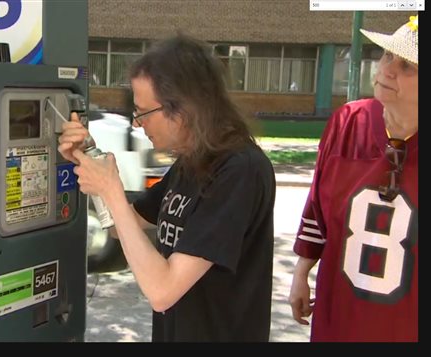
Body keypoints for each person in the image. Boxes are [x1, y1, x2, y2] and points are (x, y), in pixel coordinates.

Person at [59, 34, 276, 342]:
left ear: (184, 109)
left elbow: (162, 290)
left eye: (143, 112)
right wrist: (89, 157)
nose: (136, 123)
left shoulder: (239, 171)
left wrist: (111, 191)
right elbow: (124, 225)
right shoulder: (191, 163)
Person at [289, 15, 418, 342]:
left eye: (408, 66)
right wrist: (302, 271)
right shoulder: (348, 121)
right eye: (388, 55)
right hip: (339, 321)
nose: (388, 69)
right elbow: (318, 205)